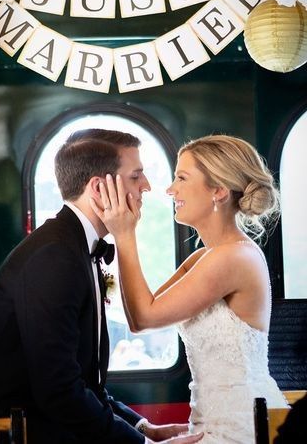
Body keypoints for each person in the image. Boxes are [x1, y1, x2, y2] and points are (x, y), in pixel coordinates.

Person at [0, 128, 203, 444]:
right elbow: (59, 389)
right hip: (16, 436)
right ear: (100, 188)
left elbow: (89, 382)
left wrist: (142, 428)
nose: (147, 186)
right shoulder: (55, 257)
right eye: (136, 176)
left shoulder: (74, 245)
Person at [91, 134, 288, 444]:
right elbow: (139, 313)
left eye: (181, 178)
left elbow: (144, 316)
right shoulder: (205, 256)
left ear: (219, 191)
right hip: (206, 425)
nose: (170, 190)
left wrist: (125, 234)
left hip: (242, 429)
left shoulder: (233, 258)